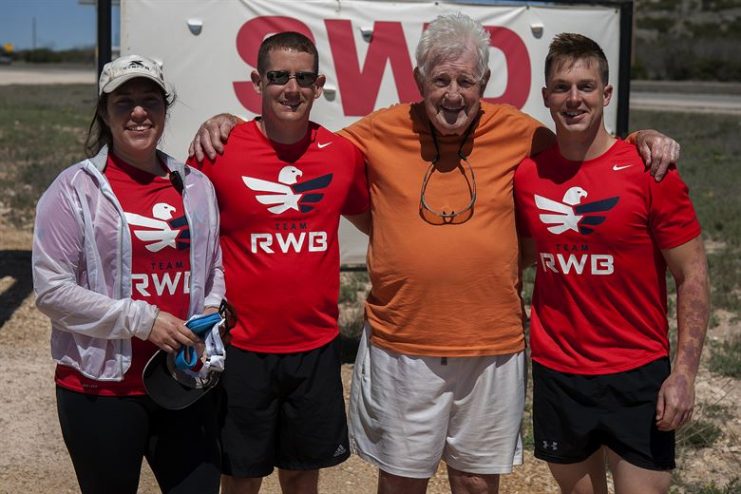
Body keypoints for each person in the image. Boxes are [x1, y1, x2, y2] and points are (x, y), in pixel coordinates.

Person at [189, 14, 680, 494]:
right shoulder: (375, 132)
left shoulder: (523, 133)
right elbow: (296, 139)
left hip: (491, 346)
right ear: (418, 80)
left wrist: (641, 141)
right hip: (403, 343)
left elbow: (586, 145)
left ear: (484, 81)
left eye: (466, 80)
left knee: (474, 482)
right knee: (401, 480)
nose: (452, 94)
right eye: (440, 79)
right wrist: (232, 122)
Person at [513, 33, 709, 494]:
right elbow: (516, 260)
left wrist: (683, 374)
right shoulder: (528, 175)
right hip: (558, 372)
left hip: (636, 372)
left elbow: (693, 274)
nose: (573, 98)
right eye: (562, 87)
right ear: (546, 97)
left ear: (606, 94)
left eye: (585, 86)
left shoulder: (650, 172)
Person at [187, 32, 369, 494]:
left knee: (302, 474)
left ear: (319, 84)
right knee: (242, 475)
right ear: (256, 82)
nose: (292, 88)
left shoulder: (342, 155)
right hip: (243, 346)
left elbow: (377, 222)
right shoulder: (219, 152)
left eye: (303, 78)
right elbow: (185, 233)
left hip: (316, 346)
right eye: (278, 76)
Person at [32, 54, 224, 494]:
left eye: (150, 100)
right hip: (101, 390)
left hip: (184, 381)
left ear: (164, 109)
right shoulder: (73, 190)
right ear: (104, 112)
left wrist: (211, 312)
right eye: (124, 102)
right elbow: (51, 291)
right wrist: (144, 320)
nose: (139, 112)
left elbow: (213, 264)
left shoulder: (195, 184)